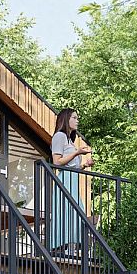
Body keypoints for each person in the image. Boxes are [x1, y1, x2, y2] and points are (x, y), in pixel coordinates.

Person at [49, 107, 90, 252]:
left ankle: (71, 249)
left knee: (76, 213)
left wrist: (84, 165)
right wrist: (77, 152)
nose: (77, 120)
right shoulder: (59, 136)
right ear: (66, 119)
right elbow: (56, 162)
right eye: (74, 117)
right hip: (65, 180)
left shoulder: (69, 141)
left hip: (73, 180)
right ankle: (62, 248)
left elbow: (72, 165)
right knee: (68, 213)